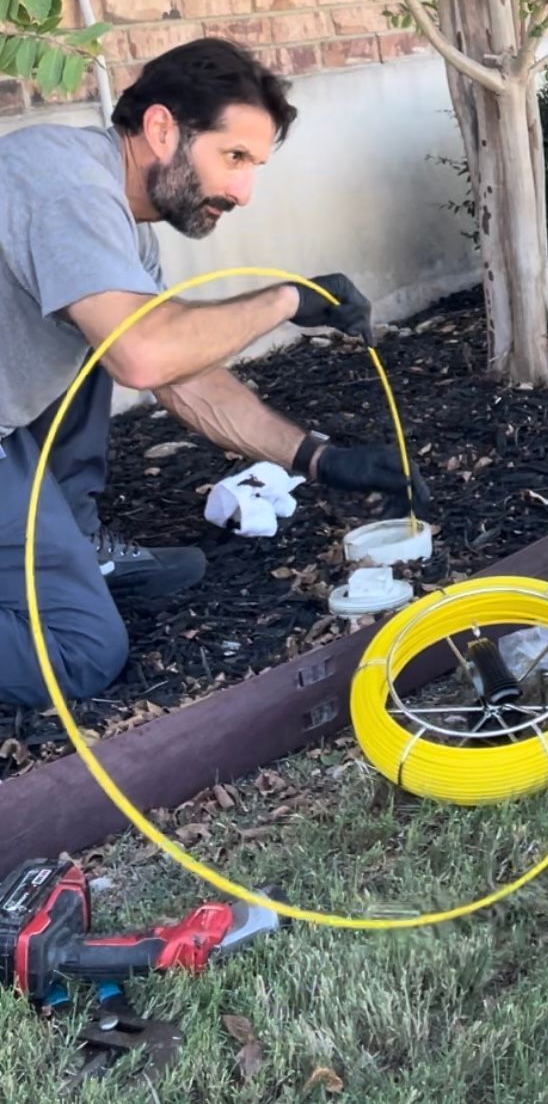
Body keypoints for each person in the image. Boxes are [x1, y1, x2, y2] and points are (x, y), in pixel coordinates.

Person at [0, 36, 430, 708]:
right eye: (234, 157)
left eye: (254, 165)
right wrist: (288, 299)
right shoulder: (64, 187)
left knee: (99, 332)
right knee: (82, 652)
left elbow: (181, 372)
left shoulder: (120, 220)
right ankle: (63, 571)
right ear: (162, 128)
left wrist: (317, 459)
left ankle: (77, 547)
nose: (244, 191)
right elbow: (146, 355)